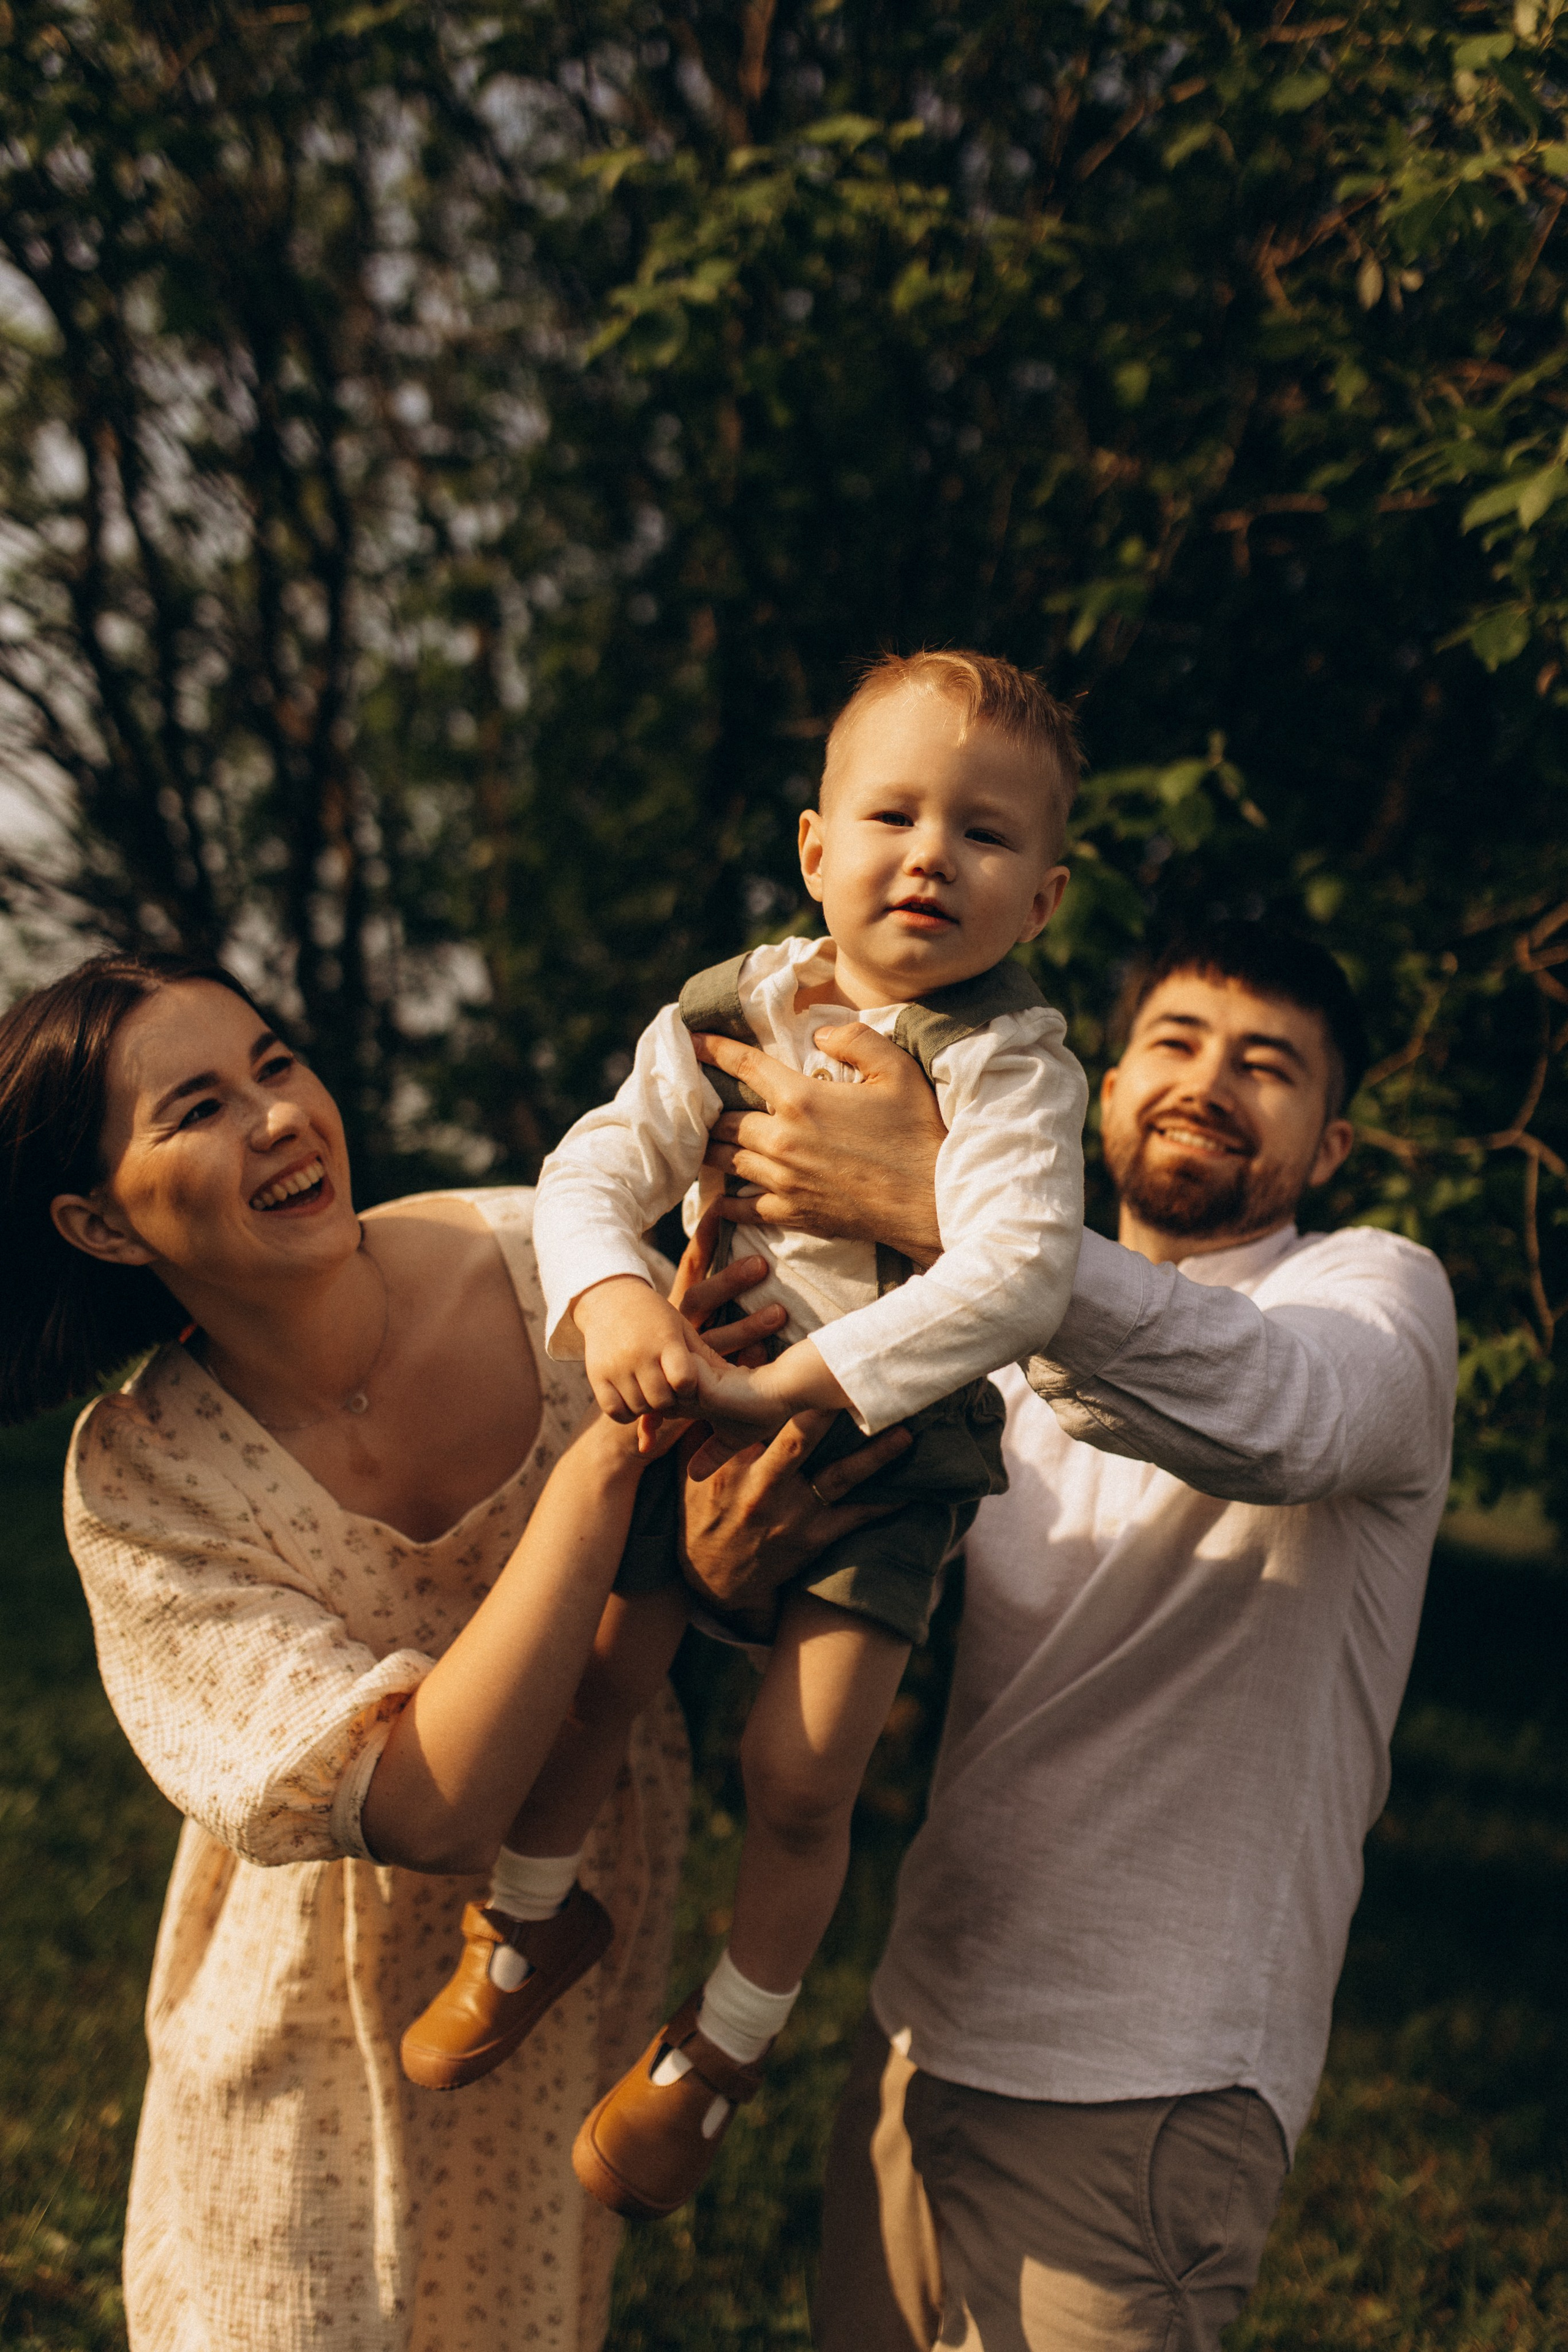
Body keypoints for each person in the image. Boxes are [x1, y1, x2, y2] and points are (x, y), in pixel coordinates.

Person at [0, 949, 903, 2352]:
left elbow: (753, 1547)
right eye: (197, 1108)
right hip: (298, 1996)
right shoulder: (143, 1482)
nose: (280, 1118)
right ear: (100, 1224)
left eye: (276, 1065)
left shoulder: (565, 1265)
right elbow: (430, 1806)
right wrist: (615, 1455)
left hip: (565, 1935)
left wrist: (721, 1564)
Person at [683, 921, 1458, 2352]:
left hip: (1153, 2079)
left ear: (1332, 1140)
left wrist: (963, 1223)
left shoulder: (1372, 1294)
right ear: (1099, 1095)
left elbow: (1281, 1416)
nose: (1208, 1082)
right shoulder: (976, 1338)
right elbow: (853, 1593)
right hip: (917, 2031)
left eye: (1266, 1065)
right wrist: (727, 1580)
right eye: (1172, 1042)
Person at [404, 651, 1089, 2224]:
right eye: (894, 814)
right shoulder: (732, 1007)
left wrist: (794, 1391)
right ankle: (522, 1923)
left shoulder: (1013, 1068)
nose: (930, 855)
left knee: (798, 1771)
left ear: (1040, 902)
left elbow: (1016, 1276)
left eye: (982, 836)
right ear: (812, 848)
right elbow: (591, 1172)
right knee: (598, 1682)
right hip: (688, 1389)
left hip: (879, 1457)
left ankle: (716, 2054)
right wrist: (620, 1306)